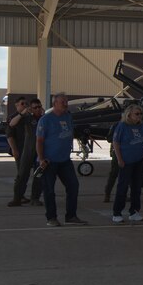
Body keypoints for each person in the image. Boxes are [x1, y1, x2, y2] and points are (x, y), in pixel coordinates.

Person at [36, 92, 87, 226]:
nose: (65, 104)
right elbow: (39, 141)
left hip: (64, 160)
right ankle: (51, 218)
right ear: (55, 104)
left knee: (73, 185)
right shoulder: (45, 120)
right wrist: (41, 159)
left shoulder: (68, 117)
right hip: (49, 161)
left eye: (66, 101)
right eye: (62, 102)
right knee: (49, 190)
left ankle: (71, 216)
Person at [111, 104, 143, 224]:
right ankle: (117, 213)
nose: (139, 116)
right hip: (126, 160)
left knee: (137, 187)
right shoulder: (122, 126)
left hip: (139, 160)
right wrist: (120, 159)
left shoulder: (142, 126)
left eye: (141, 114)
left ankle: (134, 211)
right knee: (123, 187)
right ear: (129, 115)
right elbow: (116, 142)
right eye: (137, 114)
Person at [10, 99, 44, 207]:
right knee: (22, 174)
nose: (38, 109)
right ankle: (17, 198)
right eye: (35, 107)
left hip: (41, 151)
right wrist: (22, 113)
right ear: (31, 109)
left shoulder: (45, 119)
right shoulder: (28, 118)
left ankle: (35, 198)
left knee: (39, 175)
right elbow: (12, 124)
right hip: (28, 150)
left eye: (39, 107)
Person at [6, 96, 31, 206]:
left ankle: (24, 195)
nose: (25, 105)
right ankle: (18, 197)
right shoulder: (13, 117)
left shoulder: (29, 117)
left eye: (26, 103)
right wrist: (14, 150)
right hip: (20, 150)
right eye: (22, 103)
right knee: (21, 174)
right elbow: (9, 135)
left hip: (31, 150)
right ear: (16, 105)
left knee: (28, 174)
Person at [103, 123, 120, 203]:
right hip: (117, 152)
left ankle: (123, 194)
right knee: (114, 173)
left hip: (128, 153)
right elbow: (109, 138)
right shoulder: (117, 125)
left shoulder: (135, 124)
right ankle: (107, 194)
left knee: (128, 175)